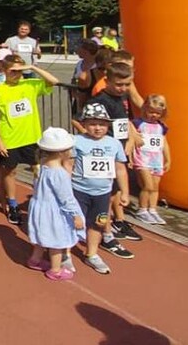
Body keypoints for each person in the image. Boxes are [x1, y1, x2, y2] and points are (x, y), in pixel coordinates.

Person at [0, 55, 59, 225]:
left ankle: (42, 199)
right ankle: (12, 204)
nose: (16, 74)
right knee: (10, 171)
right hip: (10, 139)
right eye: (13, 71)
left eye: (20, 71)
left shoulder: (30, 85)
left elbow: (54, 81)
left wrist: (32, 68)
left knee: (38, 169)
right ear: (5, 71)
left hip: (31, 138)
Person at [81, 62, 143, 252]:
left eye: (127, 84)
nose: (123, 88)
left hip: (119, 152)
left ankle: (108, 228)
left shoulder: (122, 97)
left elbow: (124, 122)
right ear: (107, 81)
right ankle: (105, 234)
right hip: (104, 156)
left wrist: (130, 141)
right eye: (119, 84)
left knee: (112, 195)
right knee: (104, 199)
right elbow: (84, 122)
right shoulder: (99, 101)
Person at [72, 102, 130, 275]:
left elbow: (120, 169)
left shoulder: (114, 144)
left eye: (102, 124)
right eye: (93, 124)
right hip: (78, 191)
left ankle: (91, 254)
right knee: (74, 223)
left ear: (108, 125)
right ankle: (65, 252)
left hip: (102, 194)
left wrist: (125, 192)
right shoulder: (76, 141)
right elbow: (68, 165)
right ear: (84, 124)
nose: (97, 128)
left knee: (98, 223)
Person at [26, 128, 84, 281]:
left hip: (39, 207)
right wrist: (75, 215)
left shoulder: (41, 165)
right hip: (53, 211)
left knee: (42, 235)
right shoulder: (59, 173)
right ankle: (55, 269)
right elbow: (66, 198)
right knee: (57, 241)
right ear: (61, 152)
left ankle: (35, 259)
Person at [128, 95, 171, 225]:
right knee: (147, 186)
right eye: (151, 112)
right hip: (142, 159)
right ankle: (142, 210)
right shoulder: (137, 123)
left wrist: (168, 159)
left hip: (156, 160)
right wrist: (130, 157)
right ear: (145, 109)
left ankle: (152, 210)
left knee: (155, 187)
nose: (154, 115)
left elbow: (164, 143)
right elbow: (131, 140)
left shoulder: (161, 126)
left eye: (158, 113)